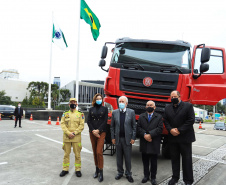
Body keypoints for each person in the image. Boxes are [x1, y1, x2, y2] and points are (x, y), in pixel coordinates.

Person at [163, 90, 195, 185]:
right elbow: (165, 120)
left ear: (179, 97)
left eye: (175, 96)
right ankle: (175, 178)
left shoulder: (188, 106)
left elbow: (191, 120)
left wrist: (179, 130)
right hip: (173, 138)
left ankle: (188, 180)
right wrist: (170, 130)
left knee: (187, 160)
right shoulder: (167, 107)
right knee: (174, 159)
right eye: (171, 97)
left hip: (185, 138)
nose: (173, 98)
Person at [110, 96, 136, 183]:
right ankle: (120, 172)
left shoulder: (131, 112)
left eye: (123, 101)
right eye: (120, 101)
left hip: (127, 139)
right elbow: (112, 127)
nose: (121, 103)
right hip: (118, 139)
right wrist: (113, 137)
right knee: (119, 157)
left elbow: (134, 127)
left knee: (128, 158)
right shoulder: (115, 112)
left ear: (126, 103)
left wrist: (133, 138)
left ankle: (128, 174)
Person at [137, 100, 163, 185]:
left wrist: (150, 135)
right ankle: (146, 176)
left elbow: (160, 129)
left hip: (154, 142)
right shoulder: (141, 116)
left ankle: (153, 178)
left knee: (154, 162)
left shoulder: (159, 117)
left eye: (151, 105)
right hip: (144, 142)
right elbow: (138, 128)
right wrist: (145, 135)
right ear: (145, 107)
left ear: (154, 107)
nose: (149, 106)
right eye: (147, 105)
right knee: (145, 161)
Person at [59, 98, 85, 178]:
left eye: (74, 102)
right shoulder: (65, 114)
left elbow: (81, 125)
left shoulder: (81, 114)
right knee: (66, 154)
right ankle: (65, 169)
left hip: (76, 137)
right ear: (69, 104)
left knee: (77, 154)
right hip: (67, 137)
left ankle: (78, 170)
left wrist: (74, 133)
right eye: (71, 102)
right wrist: (68, 133)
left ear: (77, 104)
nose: (73, 103)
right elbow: (62, 124)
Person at [87, 93, 108, 182]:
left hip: (101, 132)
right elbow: (88, 121)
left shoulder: (105, 109)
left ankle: (101, 171)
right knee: (95, 152)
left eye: (100, 99)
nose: (99, 100)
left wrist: (98, 130)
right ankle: (96, 170)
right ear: (94, 100)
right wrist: (93, 130)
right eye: (97, 99)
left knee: (99, 151)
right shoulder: (91, 109)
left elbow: (105, 121)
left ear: (102, 100)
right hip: (92, 133)